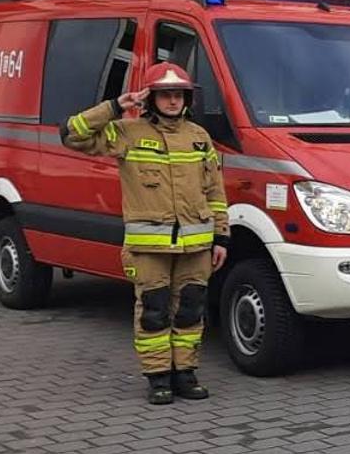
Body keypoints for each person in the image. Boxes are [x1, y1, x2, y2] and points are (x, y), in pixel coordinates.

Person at [60, 63, 228, 405]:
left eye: (178, 94)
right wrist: (115, 106)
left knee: (190, 311)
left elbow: (215, 191)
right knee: (154, 312)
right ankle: (158, 379)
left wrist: (221, 238)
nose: (172, 101)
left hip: (196, 246)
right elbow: (72, 135)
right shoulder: (127, 131)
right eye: (165, 94)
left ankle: (186, 374)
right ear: (151, 99)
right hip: (149, 247)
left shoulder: (199, 137)